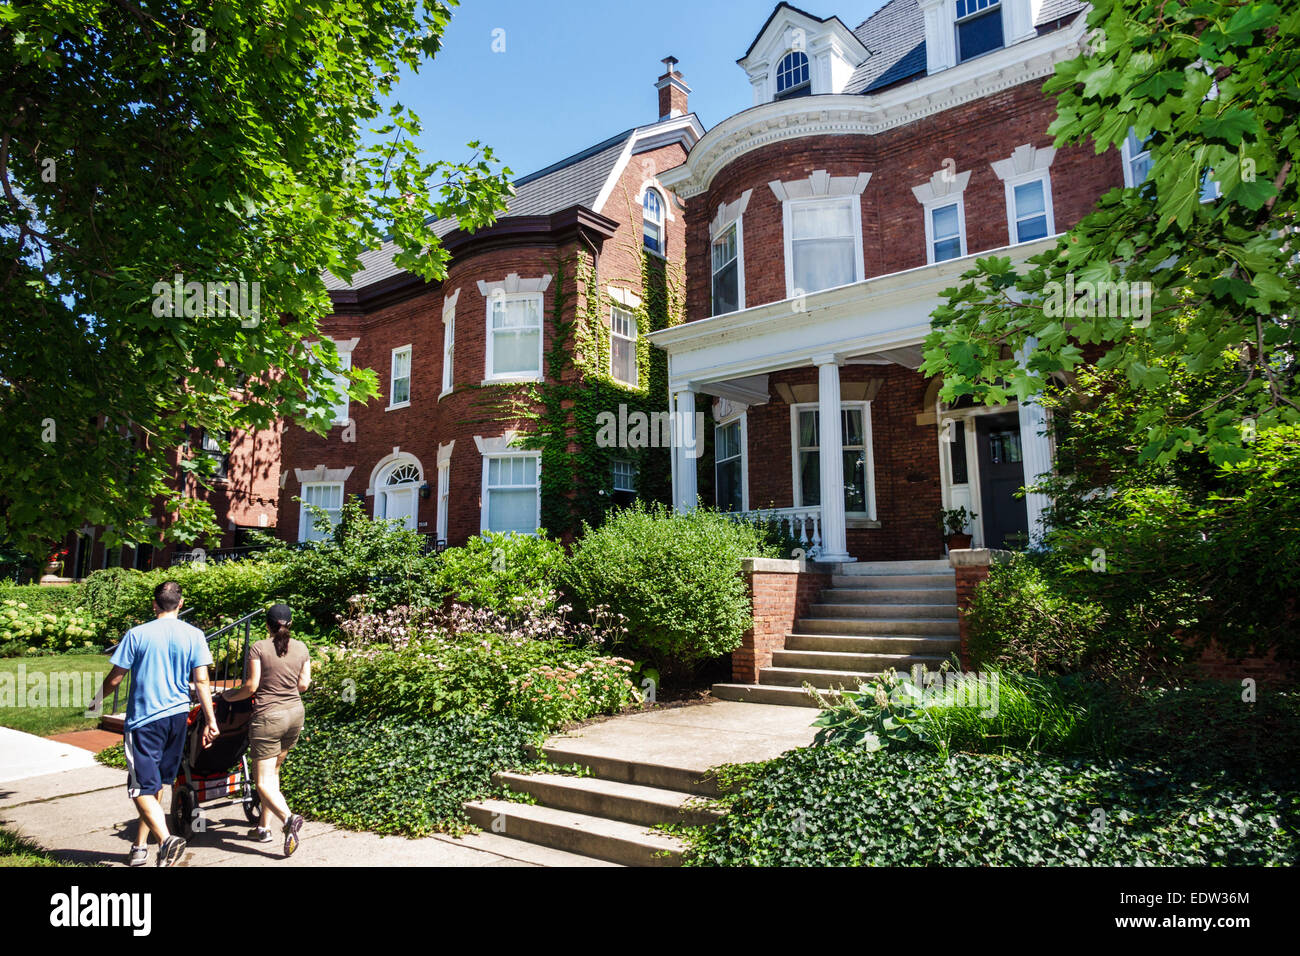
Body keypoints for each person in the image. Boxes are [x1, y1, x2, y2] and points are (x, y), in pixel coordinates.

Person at [96, 581, 217, 867]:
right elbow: (201, 681)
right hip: (177, 717)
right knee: (156, 784)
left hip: (145, 720)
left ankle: (165, 840)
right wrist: (210, 719)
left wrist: (97, 699)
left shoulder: (137, 634)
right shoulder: (195, 635)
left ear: (154, 604)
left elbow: (116, 677)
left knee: (139, 788)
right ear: (181, 603)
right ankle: (139, 847)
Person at [220, 604, 310, 857]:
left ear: (268, 625)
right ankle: (263, 827)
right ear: (290, 624)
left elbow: (251, 686)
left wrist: (228, 696)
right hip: (295, 715)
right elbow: (303, 685)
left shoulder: (259, 647)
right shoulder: (302, 648)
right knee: (274, 773)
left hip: (269, 718)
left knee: (262, 782)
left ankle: (289, 819)